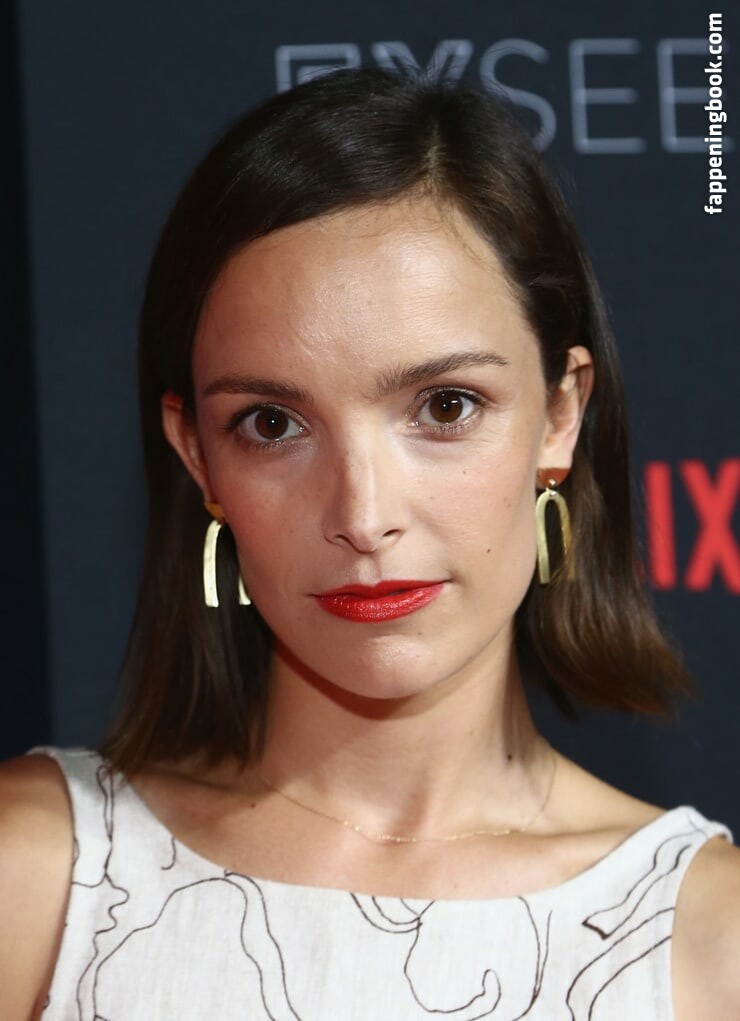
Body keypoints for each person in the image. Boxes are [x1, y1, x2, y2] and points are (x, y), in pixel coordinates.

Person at [1, 68, 738, 1020]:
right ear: (197, 455)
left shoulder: (708, 940)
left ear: (561, 415)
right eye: (272, 424)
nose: (363, 512)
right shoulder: (36, 877)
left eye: (445, 406)